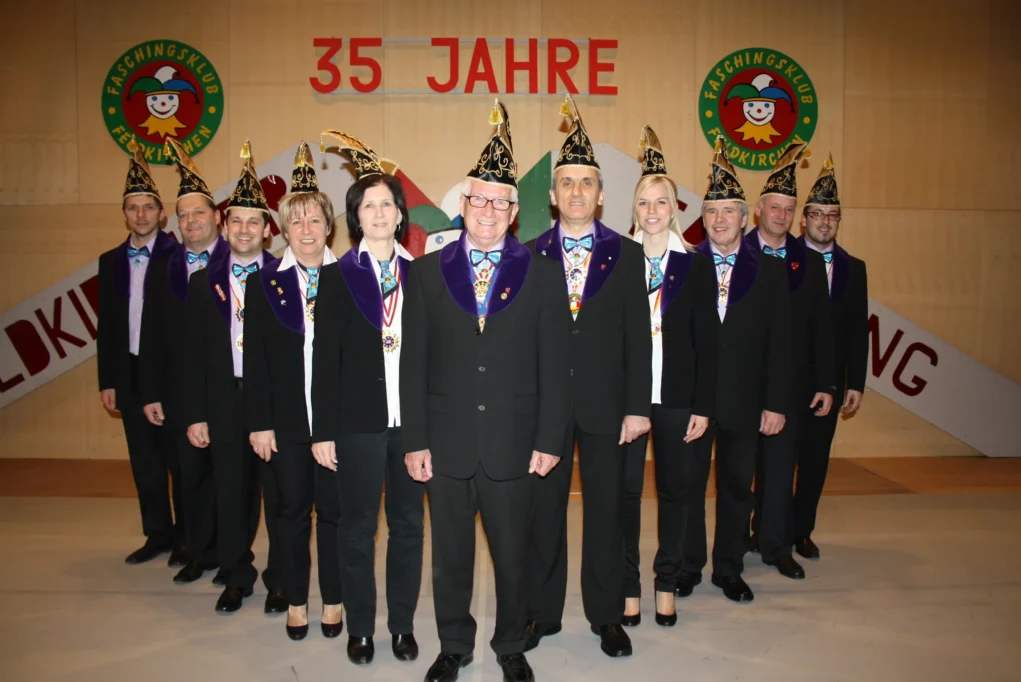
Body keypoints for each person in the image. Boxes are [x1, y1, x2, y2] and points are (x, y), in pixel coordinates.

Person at [401, 100, 570, 682]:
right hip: (445, 443)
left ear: (515, 209)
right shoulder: (426, 272)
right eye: (479, 199)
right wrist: (414, 440)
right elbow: (413, 365)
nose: (489, 210)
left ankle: (510, 645)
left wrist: (550, 439)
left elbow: (556, 364)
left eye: (501, 201)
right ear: (463, 204)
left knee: (512, 554)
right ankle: (453, 645)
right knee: (449, 556)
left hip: (515, 441)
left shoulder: (543, 274)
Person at [525, 95, 650, 659]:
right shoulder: (527, 256)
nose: (576, 192)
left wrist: (637, 406)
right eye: (566, 182)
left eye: (586, 183)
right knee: (543, 514)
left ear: (601, 195)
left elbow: (638, 340)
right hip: (544, 412)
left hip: (608, 410)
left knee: (606, 512)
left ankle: (605, 615)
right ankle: (541, 614)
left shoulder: (627, 257)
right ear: (552, 196)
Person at [312, 132, 423, 665]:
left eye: (387, 204)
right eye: (368, 205)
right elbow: (323, 363)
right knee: (356, 529)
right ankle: (361, 628)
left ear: (400, 214)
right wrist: (321, 432)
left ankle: (401, 625)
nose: (379, 213)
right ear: (356, 217)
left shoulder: (422, 276)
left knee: (406, 526)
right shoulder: (336, 278)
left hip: (411, 426)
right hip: (356, 425)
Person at [685, 136, 791, 604]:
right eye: (712, 212)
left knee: (735, 488)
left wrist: (775, 403)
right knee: (687, 487)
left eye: (729, 211)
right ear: (702, 219)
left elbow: (780, 344)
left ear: (745, 218)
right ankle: (688, 564)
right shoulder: (684, 267)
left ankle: (727, 568)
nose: (720, 220)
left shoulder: (769, 271)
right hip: (693, 402)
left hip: (747, 403)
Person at [244, 141, 343, 640]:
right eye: (297, 221)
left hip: (335, 424)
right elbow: (255, 363)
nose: (306, 230)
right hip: (284, 424)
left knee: (334, 514)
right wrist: (258, 422)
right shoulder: (263, 285)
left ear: (330, 226)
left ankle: (334, 598)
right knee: (288, 512)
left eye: (315, 220)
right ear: (284, 228)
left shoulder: (350, 280)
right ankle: (297, 598)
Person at [621, 127, 717, 627]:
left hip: (681, 399)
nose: (652, 210)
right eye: (644, 202)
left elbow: (709, 346)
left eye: (661, 202)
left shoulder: (697, 268)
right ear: (633, 208)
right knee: (626, 495)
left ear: (675, 207)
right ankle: (628, 587)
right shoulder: (615, 264)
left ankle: (667, 580)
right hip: (629, 401)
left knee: (679, 492)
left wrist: (704, 405)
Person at [181, 140, 281, 613]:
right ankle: (236, 575)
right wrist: (197, 414)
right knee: (230, 489)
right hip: (223, 400)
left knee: (279, 493)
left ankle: (282, 577)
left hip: (274, 403)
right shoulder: (203, 283)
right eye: (236, 220)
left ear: (267, 229)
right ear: (225, 225)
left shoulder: (284, 277)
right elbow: (195, 355)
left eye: (253, 221)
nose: (244, 229)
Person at [139, 137, 230, 587]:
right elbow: (150, 334)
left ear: (217, 217)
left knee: (229, 479)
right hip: (181, 392)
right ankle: (199, 550)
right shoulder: (165, 265)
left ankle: (229, 552)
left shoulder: (242, 262)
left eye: (199, 213)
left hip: (229, 391)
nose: (191, 221)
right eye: (183, 215)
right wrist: (151, 391)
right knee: (190, 476)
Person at [745, 142, 835, 581]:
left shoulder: (809, 263)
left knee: (780, 471)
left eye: (788, 209)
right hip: (740, 386)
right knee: (739, 472)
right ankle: (738, 538)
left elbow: (824, 330)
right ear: (758, 209)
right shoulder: (733, 254)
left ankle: (775, 546)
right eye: (774, 207)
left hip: (790, 386)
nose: (780, 215)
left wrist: (827, 382)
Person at [97, 137, 181, 567]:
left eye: (149, 206)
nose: (142, 214)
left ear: (162, 213)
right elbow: (107, 327)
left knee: (179, 458)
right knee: (144, 460)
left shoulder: (178, 255)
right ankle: (157, 534)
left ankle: (187, 537)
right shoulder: (109, 261)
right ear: (125, 213)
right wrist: (108, 380)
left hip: (168, 374)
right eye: (134, 207)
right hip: (128, 372)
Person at [792, 154, 869, 559]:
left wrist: (856, 381)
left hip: (830, 385)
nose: (824, 222)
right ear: (803, 219)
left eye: (832, 215)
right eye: (817, 214)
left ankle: (801, 530)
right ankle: (764, 529)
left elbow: (858, 330)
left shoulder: (854, 269)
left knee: (816, 462)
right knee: (776, 463)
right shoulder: (782, 261)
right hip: (787, 383)